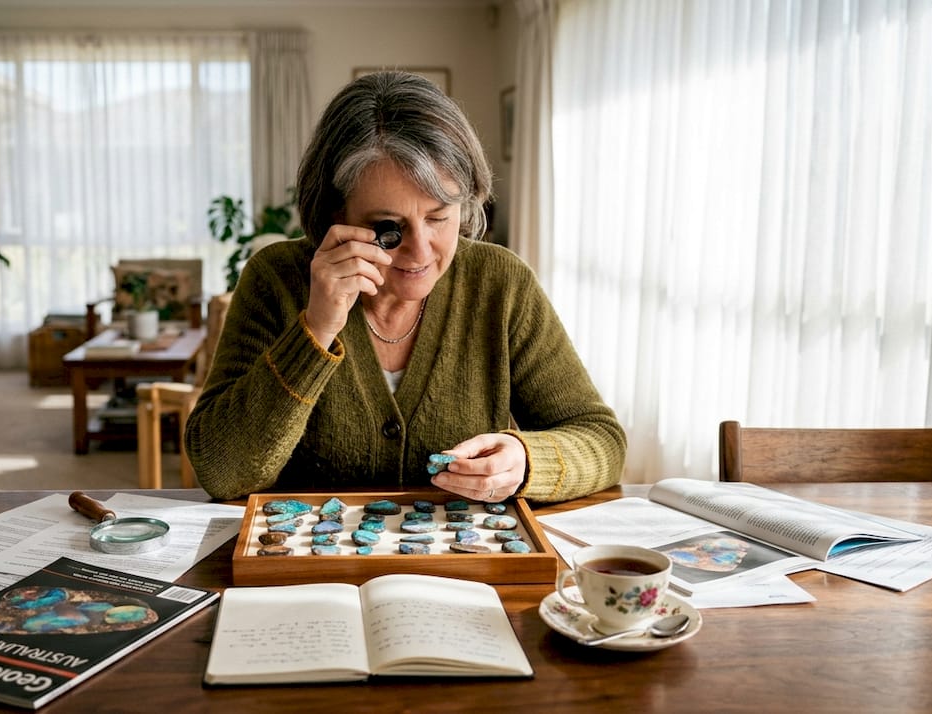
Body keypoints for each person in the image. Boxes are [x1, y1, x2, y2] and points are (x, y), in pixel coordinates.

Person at [186, 71, 625, 503]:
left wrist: (528, 461)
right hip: (310, 568)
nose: (420, 252)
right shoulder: (276, 278)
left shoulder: (500, 284)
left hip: (463, 567)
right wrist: (316, 329)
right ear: (332, 216)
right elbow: (221, 473)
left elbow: (602, 439)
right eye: (388, 228)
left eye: (438, 217)